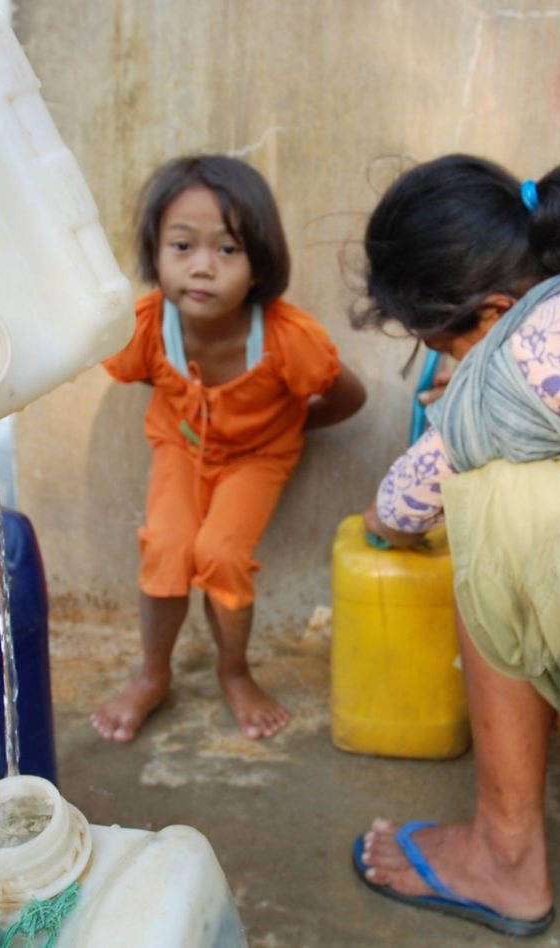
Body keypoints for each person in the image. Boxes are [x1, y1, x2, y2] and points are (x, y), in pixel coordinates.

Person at [350, 154, 560, 936]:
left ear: (497, 308)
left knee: (488, 511)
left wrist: (471, 413)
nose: (449, 368)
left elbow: (400, 509)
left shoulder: (512, 365)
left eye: (443, 348)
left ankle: (503, 859)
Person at [91, 154, 366, 743]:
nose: (203, 268)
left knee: (220, 554)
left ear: (260, 262)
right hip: (180, 448)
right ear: (155, 252)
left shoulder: (289, 339)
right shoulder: (145, 327)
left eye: (228, 250)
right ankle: (152, 676)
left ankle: (234, 671)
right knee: (166, 547)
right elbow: (145, 373)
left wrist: (285, 428)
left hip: (259, 459)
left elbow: (347, 397)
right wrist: (192, 411)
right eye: (183, 246)